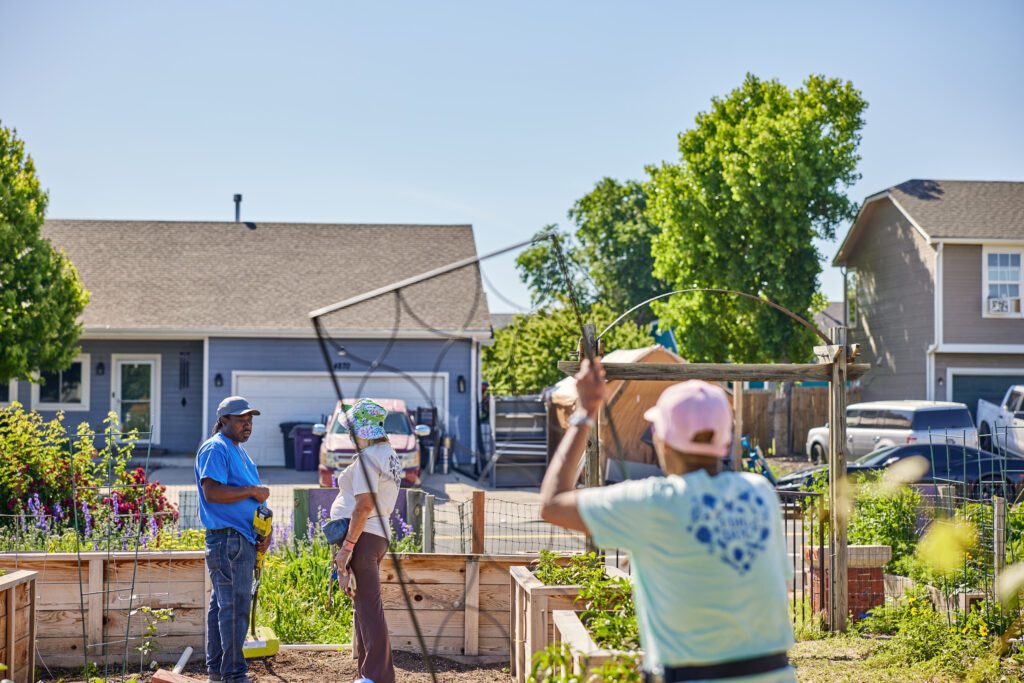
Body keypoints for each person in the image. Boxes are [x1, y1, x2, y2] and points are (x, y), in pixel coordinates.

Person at [540, 359, 795, 683]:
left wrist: (585, 413)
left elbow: (552, 503)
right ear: (724, 440)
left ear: (663, 439)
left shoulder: (653, 502)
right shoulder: (760, 493)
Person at [195, 396, 272, 683]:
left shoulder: (238, 451)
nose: (247, 424)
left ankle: (219, 671)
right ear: (223, 420)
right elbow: (212, 492)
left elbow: (249, 499)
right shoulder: (216, 448)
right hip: (228, 542)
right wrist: (252, 491)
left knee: (222, 606)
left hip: (240, 539)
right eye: (241, 419)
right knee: (235, 608)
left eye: (250, 419)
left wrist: (263, 531)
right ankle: (234, 675)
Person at [329, 399, 402, 683]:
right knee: (363, 604)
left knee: (369, 606)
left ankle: (377, 676)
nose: (350, 436)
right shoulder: (388, 454)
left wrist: (346, 548)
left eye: (352, 431)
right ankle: (366, 673)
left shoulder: (370, 458)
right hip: (376, 534)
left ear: (363, 430)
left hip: (364, 535)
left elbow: (363, 506)